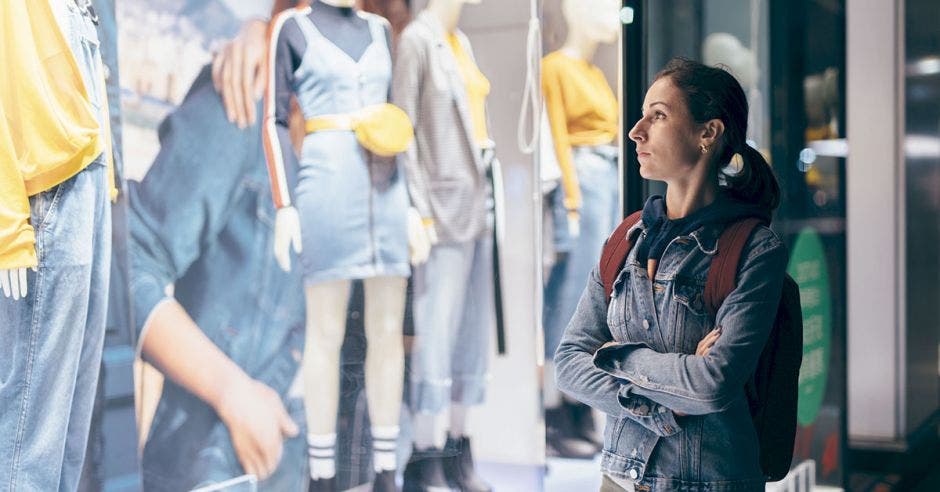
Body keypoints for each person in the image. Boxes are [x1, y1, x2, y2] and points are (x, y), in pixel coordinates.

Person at [554, 58, 787, 492]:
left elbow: (711, 386)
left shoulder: (754, 250)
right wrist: (661, 404)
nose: (635, 130)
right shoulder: (626, 239)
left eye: (658, 115)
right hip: (620, 479)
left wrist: (615, 356)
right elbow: (567, 363)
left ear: (708, 133)